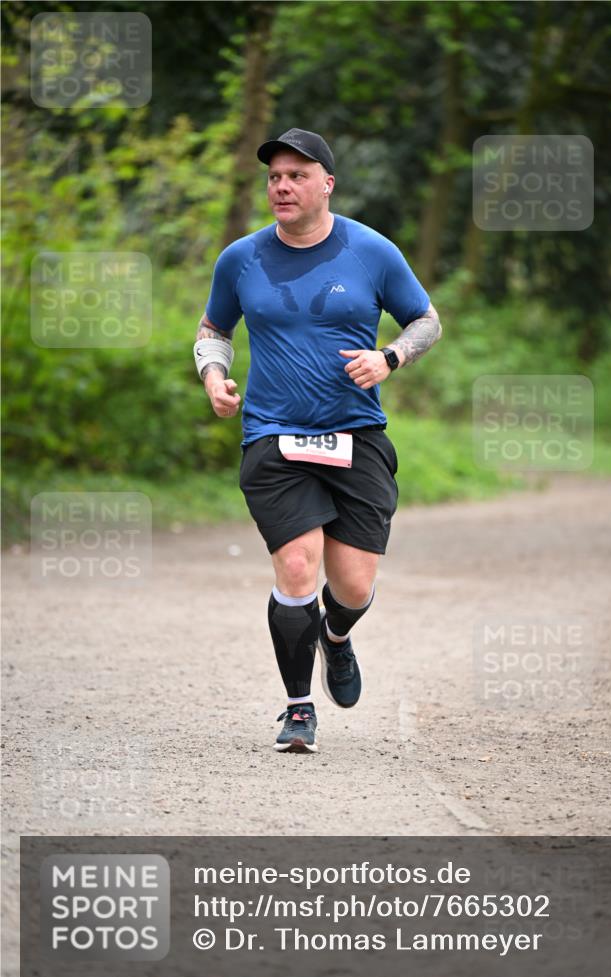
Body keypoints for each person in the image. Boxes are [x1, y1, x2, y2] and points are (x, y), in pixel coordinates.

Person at [194, 127, 441, 753]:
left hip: (356, 434)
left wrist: (390, 357)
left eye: (297, 176)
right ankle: (298, 708)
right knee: (298, 565)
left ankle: (336, 636)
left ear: (326, 184)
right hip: (274, 435)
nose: (282, 186)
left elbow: (426, 320)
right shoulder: (241, 259)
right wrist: (214, 376)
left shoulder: (371, 251)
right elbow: (213, 329)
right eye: (274, 177)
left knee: (352, 586)